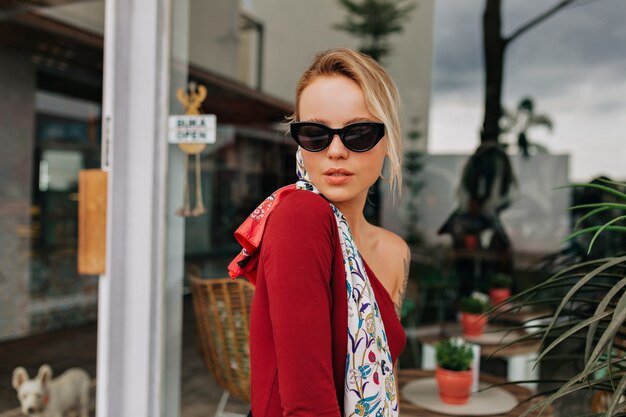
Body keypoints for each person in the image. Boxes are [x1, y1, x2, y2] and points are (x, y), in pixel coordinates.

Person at [228, 48, 410, 417]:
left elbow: (382, 375)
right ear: (299, 144)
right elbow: (307, 407)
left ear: (388, 141)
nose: (337, 151)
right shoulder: (300, 216)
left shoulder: (395, 251)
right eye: (315, 134)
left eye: (358, 133)